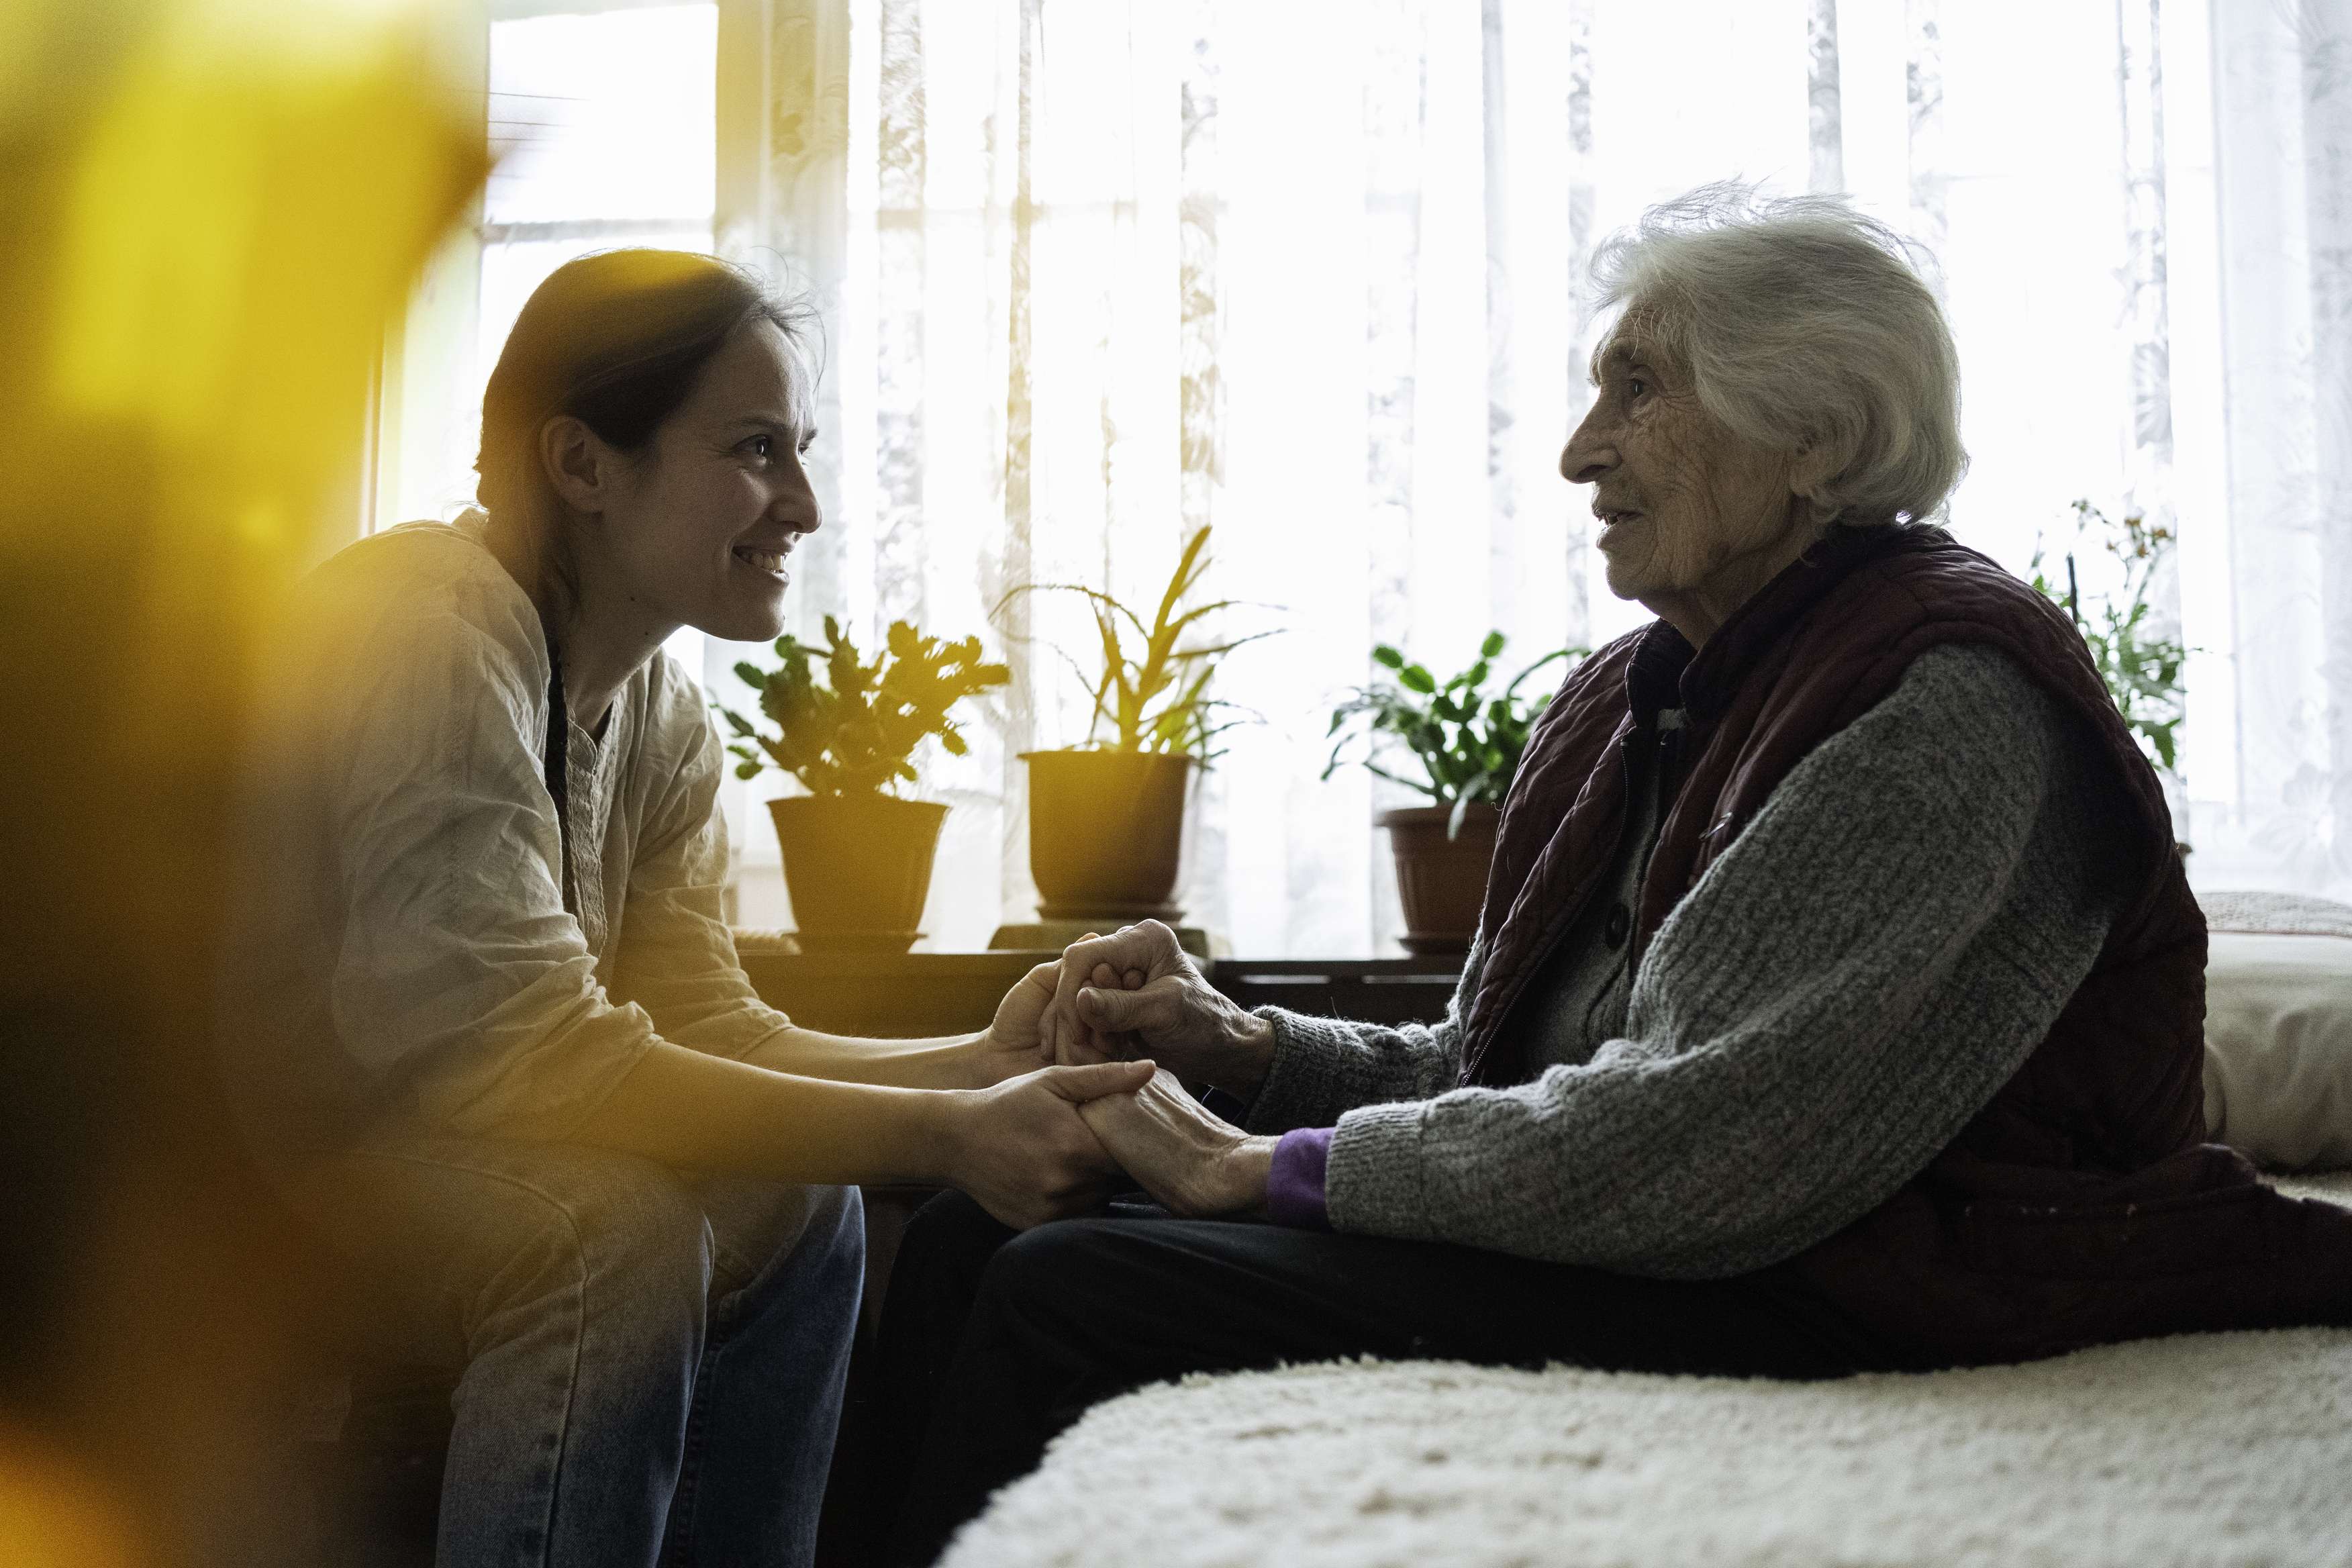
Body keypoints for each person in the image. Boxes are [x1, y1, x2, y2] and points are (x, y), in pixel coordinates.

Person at [871, 186, 2352, 1565]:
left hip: (1867, 1270)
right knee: (979, 1220)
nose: (1581, 450)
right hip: (1697, 1226)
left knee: (1064, 1284)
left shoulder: (1947, 703)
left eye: (1639, 387)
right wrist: (1247, 1054)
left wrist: (1250, 1170)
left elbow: (1713, 1136)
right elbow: (1505, 1069)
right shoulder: (1645, 696)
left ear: (1821, 436)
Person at [216, 248, 1149, 1568]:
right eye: (757, 449)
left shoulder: (660, 710)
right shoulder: (429, 625)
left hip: (446, 1140)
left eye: (801, 450)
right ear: (583, 466)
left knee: (802, 1205)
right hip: (252, 1169)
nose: (808, 505)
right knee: (613, 1244)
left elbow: (707, 1027)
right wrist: (945, 1133)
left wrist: (984, 1065)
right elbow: (529, 1058)